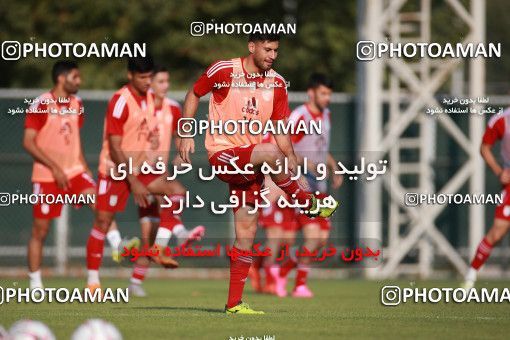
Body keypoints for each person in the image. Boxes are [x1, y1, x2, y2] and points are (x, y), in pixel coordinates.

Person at [179, 33, 339, 314]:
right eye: (267, 49)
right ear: (251, 47)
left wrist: (291, 161)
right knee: (267, 151)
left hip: (250, 164)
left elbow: (279, 128)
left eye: (276, 50)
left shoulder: (277, 83)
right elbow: (194, 93)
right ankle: (307, 203)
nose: (272, 55)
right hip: (223, 154)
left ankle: (234, 304)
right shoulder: (225, 70)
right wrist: (185, 133)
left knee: (246, 232)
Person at [86, 56, 198, 294]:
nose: (149, 82)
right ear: (130, 76)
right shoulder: (120, 101)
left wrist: (174, 145)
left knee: (177, 192)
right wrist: (134, 181)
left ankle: (160, 247)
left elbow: (152, 133)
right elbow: (115, 147)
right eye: (143, 77)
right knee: (103, 222)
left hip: (141, 169)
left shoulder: (153, 100)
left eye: (151, 77)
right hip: (116, 170)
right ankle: (93, 281)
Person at [128, 66, 205, 297]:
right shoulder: (140, 106)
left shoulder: (172, 107)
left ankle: (135, 281)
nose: (165, 85)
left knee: (149, 233)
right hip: (139, 172)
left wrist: (182, 152)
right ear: (150, 83)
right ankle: (179, 234)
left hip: (158, 173)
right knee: (176, 190)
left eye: (167, 81)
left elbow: (179, 137)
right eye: (160, 81)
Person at [23, 60, 94, 289]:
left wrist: (84, 166)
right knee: (40, 230)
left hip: (74, 171)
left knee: (101, 204)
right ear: (62, 78)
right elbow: (28, 142)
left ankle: (95, 278)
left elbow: (75, 140)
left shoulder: (77, 102)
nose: (79, 81)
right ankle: (35, 283)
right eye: (76, 76)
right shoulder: (42, 104)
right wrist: (54, 167)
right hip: (46, 176)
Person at [275, 73, 343, 298]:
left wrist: (333, 167)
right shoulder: (300, 117)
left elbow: (322, 149)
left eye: (329, 94)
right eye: (323, 93)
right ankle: (299, 286)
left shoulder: (326, 116)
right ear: (311, 92)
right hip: (302, 186)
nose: (327, 98)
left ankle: (283, 271)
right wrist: (307, 164)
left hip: (321, 187)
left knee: (321, 242)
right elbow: (285, 148)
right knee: (312, 238)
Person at [463, 108, 510, 290]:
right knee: (498, 231)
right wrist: (500, 172)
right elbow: (484, 148)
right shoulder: (502, 120)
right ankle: (471, 275)